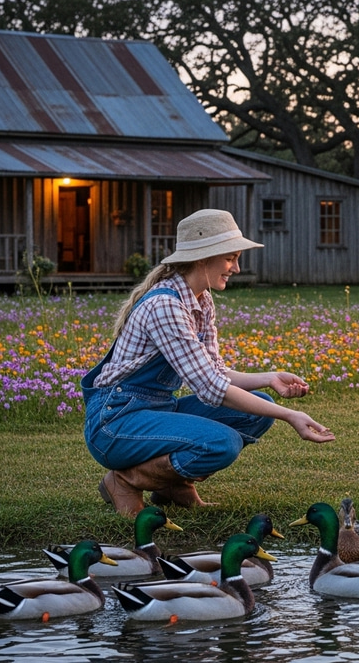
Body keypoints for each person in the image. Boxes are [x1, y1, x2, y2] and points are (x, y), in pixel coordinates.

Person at [82, 208, 335, 517]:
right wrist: (290, 415)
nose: (237, 268)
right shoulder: (165, 306)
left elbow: (214, 372)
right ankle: (124, 480)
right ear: (203, 257)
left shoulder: (200, 299)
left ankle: (172, 485)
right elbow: (213, 388)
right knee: (221, 442)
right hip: (115, 423)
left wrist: (270, 377)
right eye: (230, 258)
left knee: (257, 409)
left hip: (155, 410)